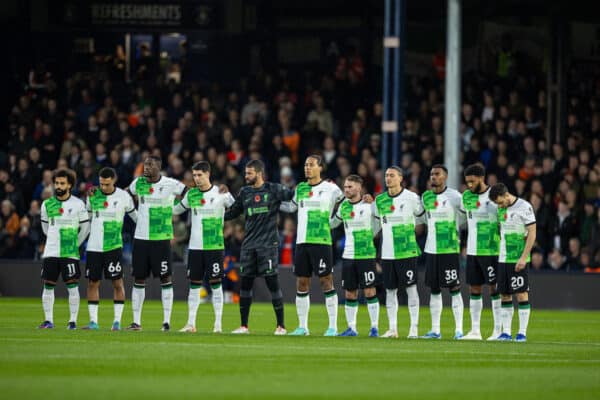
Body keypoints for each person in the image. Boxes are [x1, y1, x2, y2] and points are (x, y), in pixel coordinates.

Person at [224, 159, 294, 335]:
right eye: (245, 173)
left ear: (259, 173)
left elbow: (292, 195)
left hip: (268, 246)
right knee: (245, 286)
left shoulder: (273, 189)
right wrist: (220, 200)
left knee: (273, 284)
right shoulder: (245, 192)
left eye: (249, 173)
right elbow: (232, 213)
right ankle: (244, 326)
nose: (246, 176)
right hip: (248, 246)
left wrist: (306, 188)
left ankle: (281, 326)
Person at [282, 155, 344, 336]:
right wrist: (271, 201)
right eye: (305, 165)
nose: (307, 168)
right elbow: (291, 207)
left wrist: (335, 221)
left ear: (320, 168)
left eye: (311, 165)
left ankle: (332, 326)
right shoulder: (300, 188)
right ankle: (303, 327)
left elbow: (347, 202)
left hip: (322, 241)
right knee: (302, 282)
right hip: (302, 242)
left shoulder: (331, 188)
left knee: (326, 281)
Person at [126, 156, 187, 331]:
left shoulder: (171, 184)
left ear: (158, 167)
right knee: (139, 278)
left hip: (161, 239)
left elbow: (190, 193)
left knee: (165, 278)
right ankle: (136, 322)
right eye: (145, 164)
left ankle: (166, 322)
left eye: (150, 165)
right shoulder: (138, 183)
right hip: (141, 239)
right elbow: (124, 194)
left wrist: (177, 209)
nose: (146, 167)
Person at [173, 161, 234, 333]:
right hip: (195, 248)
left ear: (208, 174)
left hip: (214, 247)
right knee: (194, 285)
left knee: (216, 284)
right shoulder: (192, 194)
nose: (197, 178)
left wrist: (229, 224)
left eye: (200, 175)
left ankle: (217, 324)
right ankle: (191, 323)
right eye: (194, 175)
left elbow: (237, 209)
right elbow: (177, 210)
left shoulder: (220, 193)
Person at [83, 167, 137, 331]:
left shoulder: (124, 196)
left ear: (114, 180)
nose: (104, 187)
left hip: (113, 247)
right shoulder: (93, 195)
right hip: (94, 247)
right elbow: (89, 218)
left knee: (117, 283)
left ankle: (117, 322)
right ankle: (93, 322)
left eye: (107, 184)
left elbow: (136, 217)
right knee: (93, 283)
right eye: (101, 184)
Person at [373, 166, 423, 338]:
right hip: (387, 254)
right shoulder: (379, 200)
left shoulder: (411, 198)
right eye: (386, 175)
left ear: (400, 178)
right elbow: (375, 225)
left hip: (407, 252)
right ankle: (392, 329)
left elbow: (423, 217)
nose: (388, 178)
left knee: (411, 289)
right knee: (390, 291)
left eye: (392, 175)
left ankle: (414, 329)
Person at [38, 169, 90, 329]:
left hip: (70, 253)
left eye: (62, 183)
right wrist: (54, 241)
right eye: (57, 183)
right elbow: (46, 228)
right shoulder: (47, 204)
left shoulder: (78, 204)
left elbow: (85, 228)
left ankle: (72, 321)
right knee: (48, 285)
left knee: (72, 287)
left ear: (70, 185)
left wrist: (75, 244)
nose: (58, 186)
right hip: (51, 252)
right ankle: (48, 320)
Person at [330, 175, 380, 337]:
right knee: (350, 292)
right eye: (345, 187)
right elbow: (332, 223)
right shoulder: (344, 207)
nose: (346, 190)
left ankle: (374, 328)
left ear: (359, 188)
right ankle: (352, 328)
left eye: (350, 187)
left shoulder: (369, 206)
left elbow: (379, 224)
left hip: (366, 254)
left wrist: (368, 237)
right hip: (349, 255)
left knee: (369, 291)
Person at [420, 165, 466, 339]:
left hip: (449, 249)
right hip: (431, 249)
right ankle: (435, 330)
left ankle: (459, 330)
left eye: (437, 174)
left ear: (445, 176)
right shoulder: (426, 197)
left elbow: (464, 218)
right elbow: (422, 218)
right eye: (432, 174)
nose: (434, 177)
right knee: (434, 288)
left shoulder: (455, 196)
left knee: (454, 288)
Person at [460, 164, 502, 341]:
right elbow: (465, 221)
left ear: (481, 178)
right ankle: (475, 331)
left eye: (472, 181)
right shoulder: (466, 197)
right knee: (474, 288)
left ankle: (498, 330)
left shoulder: (494, 196)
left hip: (492, 250)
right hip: (473, 251)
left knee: (494, 289)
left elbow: (504, 221)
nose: (469, 185)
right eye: (467, 181)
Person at [489, 183, 536, 342]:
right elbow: (499, 231)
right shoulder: (500, 209)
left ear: (506, 194)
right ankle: (506, 333)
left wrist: (523, 257)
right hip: (503, 258)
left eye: (500, 202)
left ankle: (522, 333)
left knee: (521, 294)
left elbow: (532, 233)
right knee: (504, 294)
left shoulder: (524, 206)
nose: (499, 206)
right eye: (497, 204)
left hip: (518, 259)